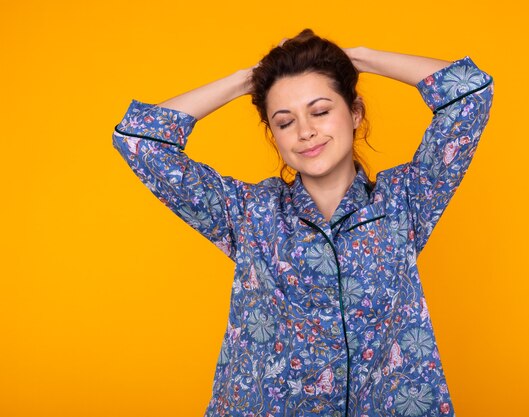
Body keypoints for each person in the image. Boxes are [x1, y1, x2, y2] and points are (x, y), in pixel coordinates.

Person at [112, 29, 494, 417]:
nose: (305, 131)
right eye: (284, 121)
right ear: (273, 134)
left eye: (321, 110)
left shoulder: (404, 202)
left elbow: (470, 92)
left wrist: (356, 58)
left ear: (355, 112)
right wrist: (248, 80)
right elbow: (140, 139)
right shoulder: (250, 213)